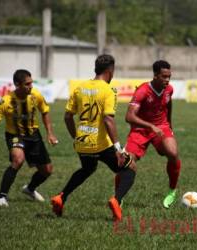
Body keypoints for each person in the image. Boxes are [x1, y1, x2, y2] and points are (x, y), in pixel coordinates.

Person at [51, 54, 136, 221]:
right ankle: (116, 200)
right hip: (101, 144)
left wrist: (76, 137)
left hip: (82, 142)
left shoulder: (79, 88)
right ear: (110, 71)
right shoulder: (108, 90)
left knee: (87, 169)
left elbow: (68, 117)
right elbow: (108, 119)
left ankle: (61, 196)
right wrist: (118, 148)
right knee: (130, 168)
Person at [117, 60, 181, 209]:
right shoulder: (142, 91)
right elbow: (129, 117)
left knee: (173, 153)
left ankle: (172, 191)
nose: (167, 80)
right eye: (164, 76)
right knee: (125, 162)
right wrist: (150, 126)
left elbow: (168, 103)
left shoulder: (169, 89)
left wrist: (169, 125)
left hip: (161, 127)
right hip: (141, 130)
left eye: (169, 76)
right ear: (155, 75)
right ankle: (117, 198)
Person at [0, 69, 58, 207]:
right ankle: (1, 197)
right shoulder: (6, 101)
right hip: (15, 135)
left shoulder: (35, 95)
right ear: (17, 84)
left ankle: (30, 189)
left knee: (47, 171)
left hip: (34, 135)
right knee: (18, 160)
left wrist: (50, 133)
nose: (31, 86)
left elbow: (45, 112)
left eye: (31, 83)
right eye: (27, 84)